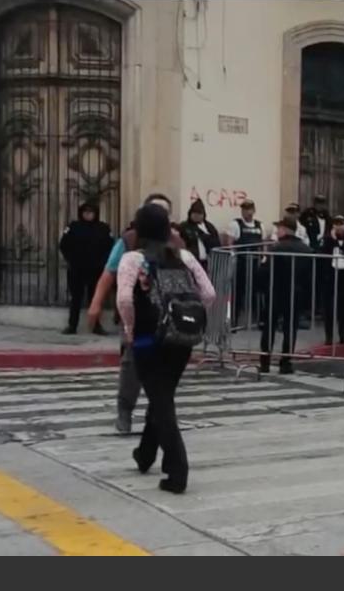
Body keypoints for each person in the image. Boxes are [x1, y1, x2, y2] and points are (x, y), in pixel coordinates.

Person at [116, 203, 215, 494]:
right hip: (180, 337)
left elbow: (124, 300)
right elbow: (208, 293)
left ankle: (177, 469)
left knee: (161, 399)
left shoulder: (133, 259)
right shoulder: (183, 256)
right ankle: (145, 454)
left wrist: (131, 329)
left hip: (149, 338)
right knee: (162, 394)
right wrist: (189, 316)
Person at [87, 193, 185, 435]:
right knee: (132, 364)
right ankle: (125, 410)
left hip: (169, 317)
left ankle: (160, 416)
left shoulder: (177, 243)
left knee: (165, 370)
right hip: (138, 315)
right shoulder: (129, 241)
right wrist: (96, 304)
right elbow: (109, 273)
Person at [259, 215, 313, 374]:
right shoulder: (306, 249)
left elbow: (265, 271)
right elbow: (309, 276)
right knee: (291, 328)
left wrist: (261, 286)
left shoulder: (276, 248)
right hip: (296, 293)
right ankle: (286, 362)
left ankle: (265, 362)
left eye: (279, 228)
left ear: (285, 229)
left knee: (269, 326)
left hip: (276, 291)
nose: (277, 231)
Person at [59, 202, 113, 335]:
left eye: (91, 212)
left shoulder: (103, 228)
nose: (88, 214)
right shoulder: (73, 227)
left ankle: (96, 325)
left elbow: (110, 246)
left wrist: (103, 262)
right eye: (85, 212)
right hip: (77, 269)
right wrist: (71, 259)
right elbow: (64, 244)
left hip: (96, 269)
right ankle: (72, 326)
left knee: (95, 297)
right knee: (76, 297)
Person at [223, 199, 267, 325]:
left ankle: (259, 320)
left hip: (256, 263)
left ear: (254, 210)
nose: (247, 212)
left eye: (249, 209)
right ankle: (234, 321)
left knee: (257, 292)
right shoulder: (235, 224)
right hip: (241, 263)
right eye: (244, 209)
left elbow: (263, 243)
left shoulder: (260, 225)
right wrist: (233, 256)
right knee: (238, 292)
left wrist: (264, 257)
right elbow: (230, 242)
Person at [319, 215, 344, 347]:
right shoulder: (327, 240)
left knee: (343, 306)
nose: (339, 226)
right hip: (330, 275)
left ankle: (343, 334)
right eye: (336, 224)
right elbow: (323, 254)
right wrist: (332, 239)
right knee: (329, 307)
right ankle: (328, 336)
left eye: (342, 224)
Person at [178, 199, 221, 273]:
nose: (196, 216)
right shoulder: (184, 226)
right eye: (194, 213)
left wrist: (205, 236)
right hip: (190, 261)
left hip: (205, 262)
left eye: (199, 213)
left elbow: (217, 243)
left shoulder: (209, 227)